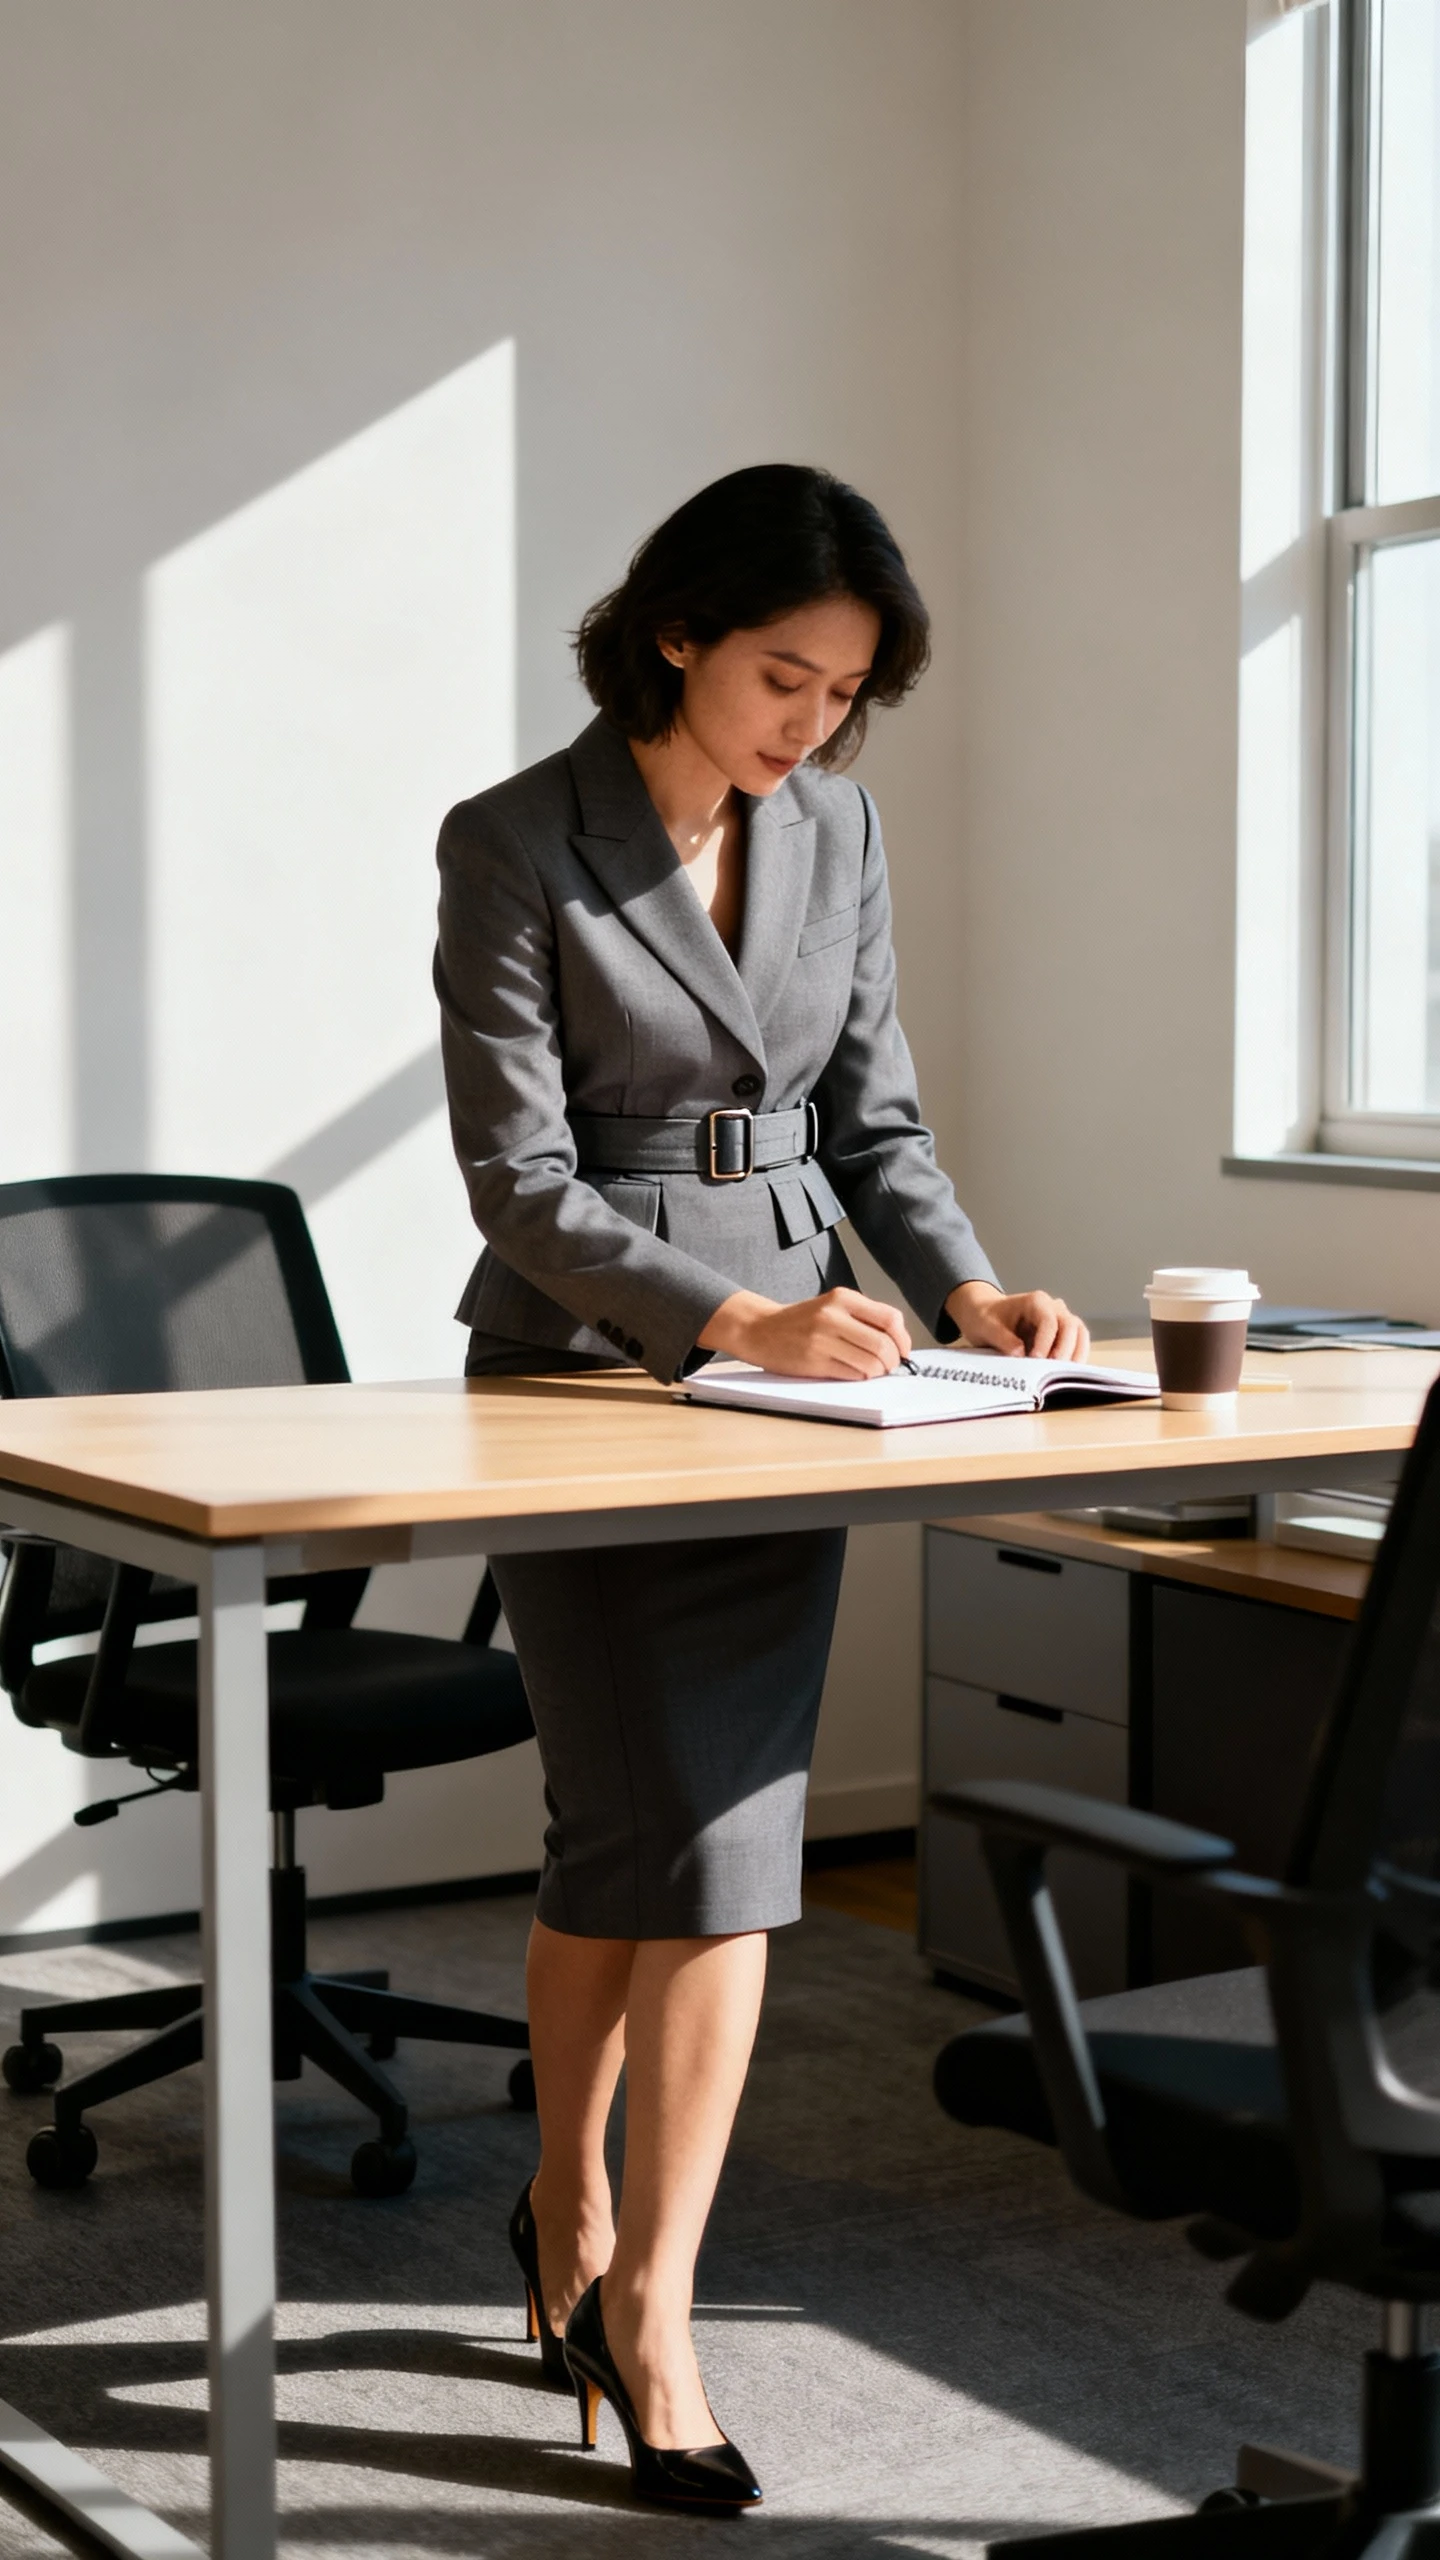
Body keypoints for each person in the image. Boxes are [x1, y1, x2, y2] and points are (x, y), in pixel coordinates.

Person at [434, 463, 1087, 2511]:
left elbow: (872, 1114)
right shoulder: (515, 837)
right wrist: (729, 1321)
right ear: (676, 632)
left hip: (816, 1369)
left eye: (845, 692)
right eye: (782, 674)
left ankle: (642, 2291)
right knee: (627, 1828)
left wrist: (961, 1276)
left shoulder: (842, 831)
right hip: (594, 1371)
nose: (808, 723)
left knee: (720, 1845)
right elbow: (520, 1180)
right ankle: (578, 2220)